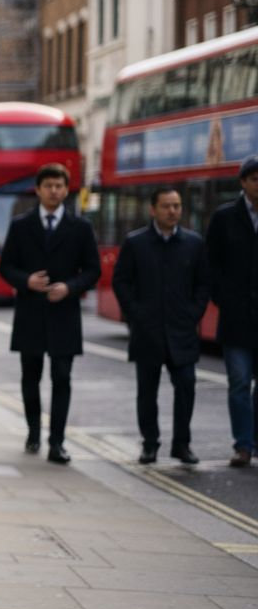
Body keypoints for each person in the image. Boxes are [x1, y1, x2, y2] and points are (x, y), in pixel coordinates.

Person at [0, 163, 101, 464]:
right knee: (30, 376)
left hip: (64, 313)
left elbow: (93, 269)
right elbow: (6, 266)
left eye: (59, 186)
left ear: (66, 190)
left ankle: (57, 442)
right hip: (30, 312)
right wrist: (26, 281)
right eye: (49, 186)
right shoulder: (20, 225)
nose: (54, 191)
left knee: (62, 377)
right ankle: (33, 432)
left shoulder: (80, 228)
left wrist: (70, 287)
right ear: (39, 190)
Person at [111, 187, 210, 465]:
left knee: (187, 386)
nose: (172, 211)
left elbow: (204, 283)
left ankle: (182, 444)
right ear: (153, 209)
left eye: (177, 206)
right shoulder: (136, 243)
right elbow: (122, 282)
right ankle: (150, 444)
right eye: (166, 206)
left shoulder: (193, 243)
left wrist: (193, 313)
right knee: (147, 392)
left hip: (182, 330)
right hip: (148, 331)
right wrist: (136, 315)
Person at [205, 156, 258, 467]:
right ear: (243, 183)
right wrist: (222, 298)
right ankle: (243, 444)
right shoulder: (225, 217)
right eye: (254, 179)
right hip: (236, 317)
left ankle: (253, 438)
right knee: (239, 382)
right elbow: (210, 264)